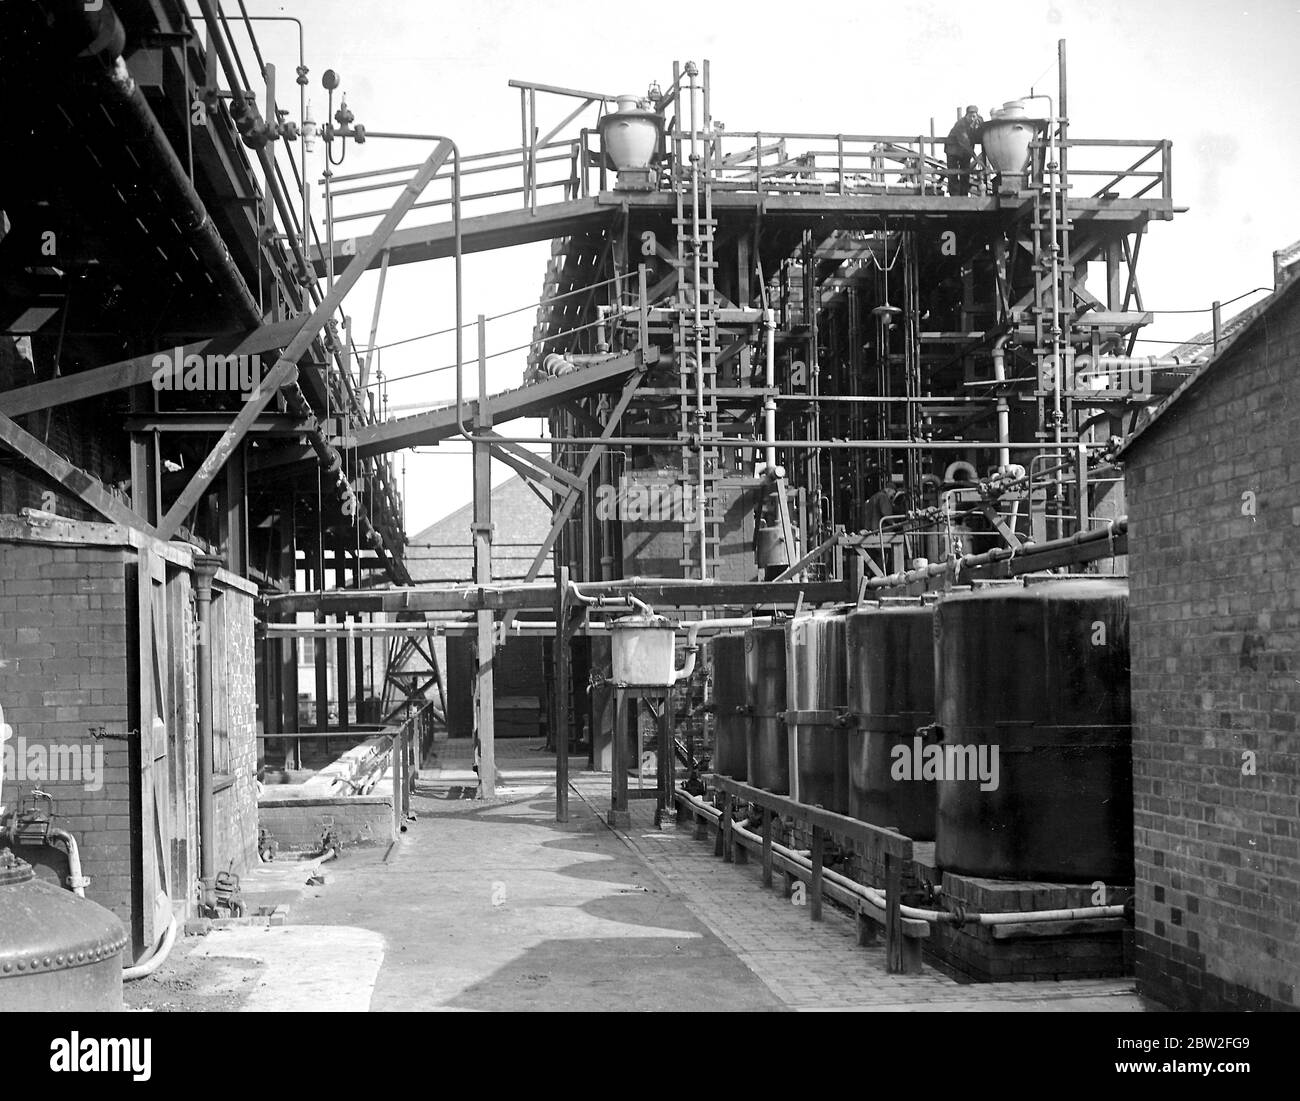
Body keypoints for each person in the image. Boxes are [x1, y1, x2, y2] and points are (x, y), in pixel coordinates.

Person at [944, 105, 983, 196]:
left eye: (974, 116)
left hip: (965, 151)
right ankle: (954, 195)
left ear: (977, 116)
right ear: (966, 116)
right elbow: (964, 141)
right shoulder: (960, 124)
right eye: (970, 116)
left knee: (965, 172)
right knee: (953, 172)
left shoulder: (979, 120)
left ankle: (964, 194)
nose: (972, 119)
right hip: (952, 149)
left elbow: (982, 129)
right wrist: (976, 158)